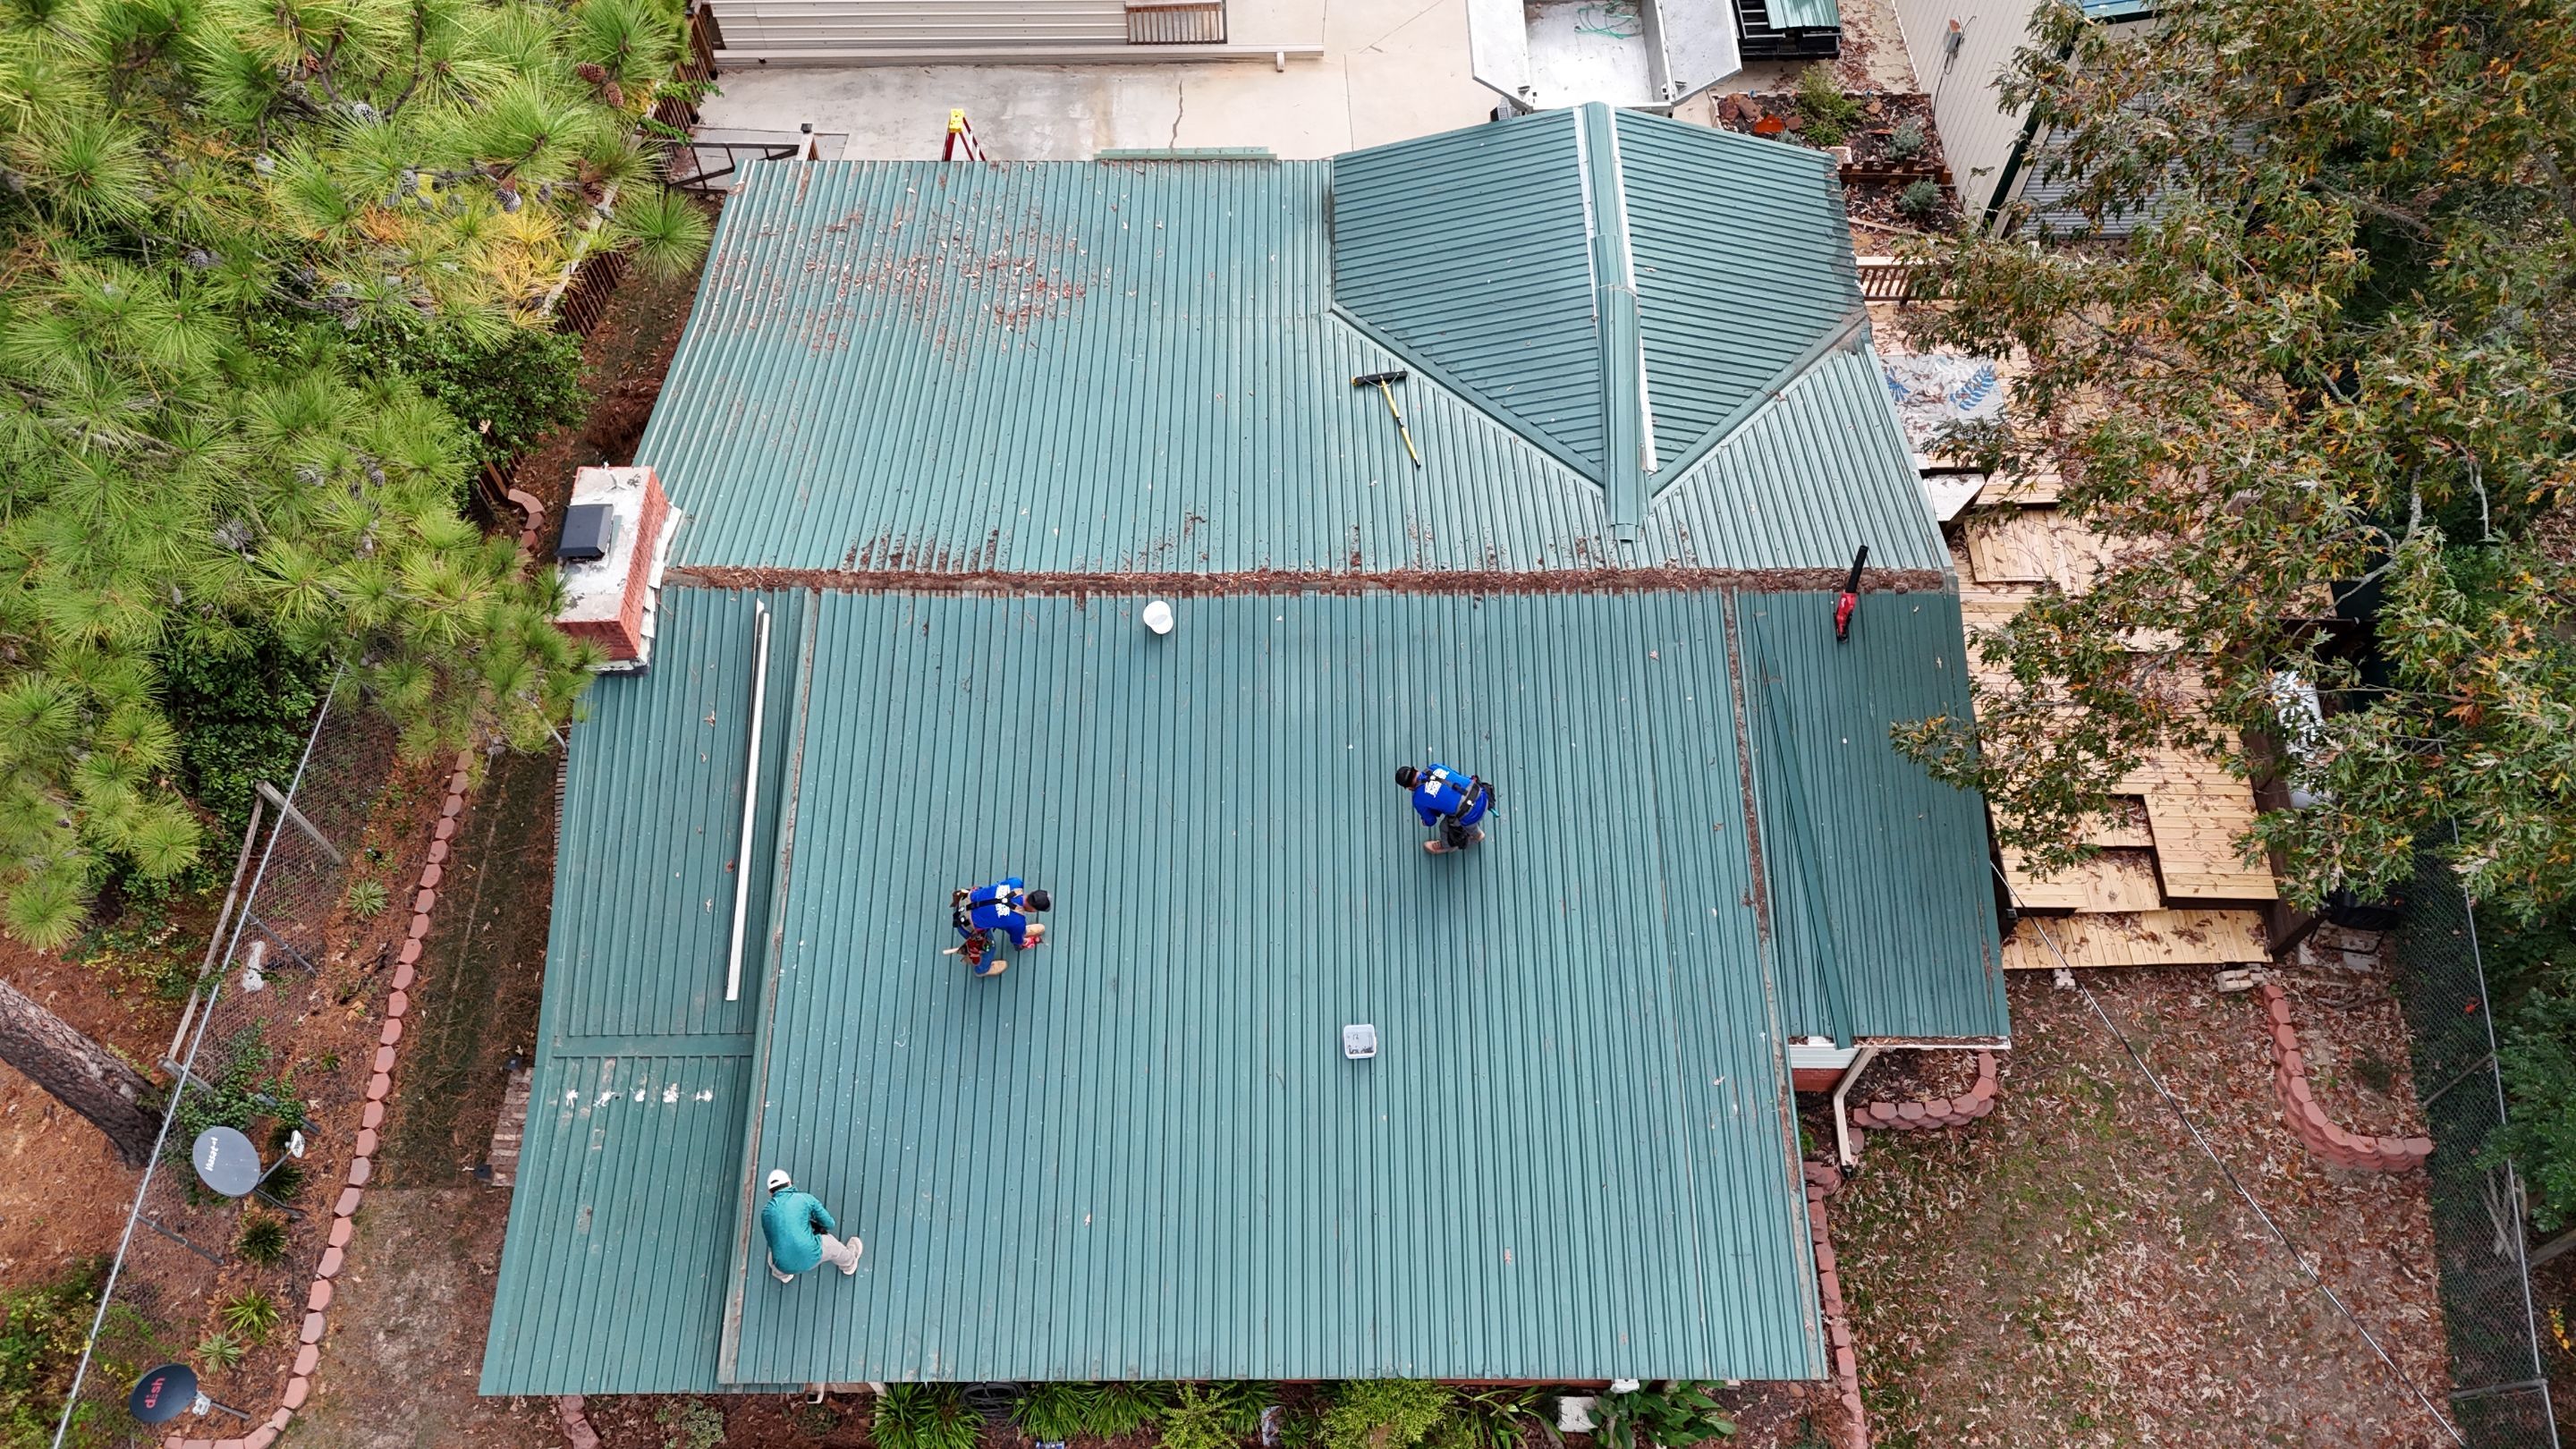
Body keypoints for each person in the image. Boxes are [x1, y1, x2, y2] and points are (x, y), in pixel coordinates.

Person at [758, 1169, 860, 1284]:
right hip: (811, 1255)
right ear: (790, 1183)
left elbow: (772, 1241)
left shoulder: (765, 1213)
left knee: (776, 1252)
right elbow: (829, 1224)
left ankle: (783, 1275)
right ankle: (849, 1264)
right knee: (832, 1245)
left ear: (770, 1192)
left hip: (784, 1265)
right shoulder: (805, 1199)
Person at [943, 878, 1051, 976]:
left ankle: (1018, 931)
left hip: (964, 902)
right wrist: (1022, 940)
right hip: (966, 926)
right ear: (1033, 910)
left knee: (1004, 920)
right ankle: (982, 970)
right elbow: (1016, 942)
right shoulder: (1017, 921)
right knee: (990, 948)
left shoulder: (1015, 882)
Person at [1394, 763, 1494, 854]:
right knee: (1460, 805)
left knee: (1444, 827)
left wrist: (1425, 822)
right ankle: (1474, 830)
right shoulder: (1434, 767)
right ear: (1415, 769)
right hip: (1482, 795)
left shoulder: (1417, 799)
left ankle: (1455, 843)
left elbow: (1431, 821)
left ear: (1409, 788)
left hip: (1472, 815)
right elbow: (1456, 774)